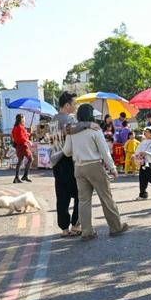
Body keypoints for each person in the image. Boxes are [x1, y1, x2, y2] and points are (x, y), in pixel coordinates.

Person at [62, 104, 129, 240]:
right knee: (106, 197)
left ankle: (87, 231)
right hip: (94, 166)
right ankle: (116, 227)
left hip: (79, 167)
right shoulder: (95, 129)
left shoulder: (72, 131)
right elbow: (104, 151)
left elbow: (67, 151)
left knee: (84, 201)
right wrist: (113, 168)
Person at [52, 91, 101, 237]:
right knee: (82, 193)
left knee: (62, 196)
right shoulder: (67, 119)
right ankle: (75, 225)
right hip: (67, 159)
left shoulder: (53, 119)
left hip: (55, 160)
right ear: (67, 105)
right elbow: (71, 130)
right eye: (73, 104)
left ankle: (64, 228)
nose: (75, 107)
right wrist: (88, 124)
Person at [11, 114, 32, 184]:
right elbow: (21, 137)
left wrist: (27, 134)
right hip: (23, 145)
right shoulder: (20, 127)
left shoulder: (15, 127)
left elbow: (18, 136)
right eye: (24, 119)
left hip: (18, 146)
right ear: (21, 119)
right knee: (30, 159)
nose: (25, 120)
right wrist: (27, 140)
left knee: (20, 161)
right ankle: (24, 176)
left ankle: (17, 177)